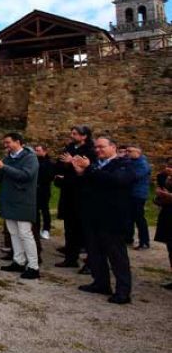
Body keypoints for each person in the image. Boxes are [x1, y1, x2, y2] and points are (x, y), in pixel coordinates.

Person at [72, 136, 135, 303]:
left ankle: (123, 291)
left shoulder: (123, 164)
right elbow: (90, 187)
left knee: (117, 256)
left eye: (102, 147)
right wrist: (81, 174)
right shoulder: (96, 166)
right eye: (96, 148)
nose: (98, 150)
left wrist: (90, 169)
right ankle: (101, 283)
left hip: (113, 218)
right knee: (95, 252)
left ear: (113, 147)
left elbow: (116, 181)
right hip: (93, 216)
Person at [0, 132, 40, 279]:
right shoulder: (8, 158)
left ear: (18, 142)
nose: (6, 145)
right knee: (13, 232)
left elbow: (26, 176)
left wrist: (4, 167)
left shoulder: (30, 158)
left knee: (25, 233)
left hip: (23, 200)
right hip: (9, 199)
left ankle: (33, 266)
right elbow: (2, 179)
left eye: (8, 142)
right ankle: (18, 261)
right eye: (5, 143)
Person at [54, 126, 96, 269]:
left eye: (75, 133)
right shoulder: (70, 147)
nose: (72, 136)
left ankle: (91, 261)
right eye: (71, 133)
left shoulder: (90, 150)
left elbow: (88, 169)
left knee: (84, 228)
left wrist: (72, 161)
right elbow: (60, 162)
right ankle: (70, 258)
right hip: (69, 191)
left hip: (83, 193)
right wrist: (66, 165)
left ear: (84, 136)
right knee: (70, 227)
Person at [125, 146, 151, 250]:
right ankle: (128, 238)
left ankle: (144, 241)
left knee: (139, 218)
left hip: (138, 194)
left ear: (138, 152)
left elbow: (135, 176)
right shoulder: (131, 161)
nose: (127, 153)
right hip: (130, 193)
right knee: (129, 217)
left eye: (130, 151)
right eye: (127, 151)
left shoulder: (143, 164)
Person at [153, 159, 172, 289]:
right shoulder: (166, 178)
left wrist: (169, 196)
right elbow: (159, 199)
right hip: (168, 216)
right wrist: (160, 197)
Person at [34, 144, 54, 239]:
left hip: (44, 190)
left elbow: (49, 176)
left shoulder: (49, 163)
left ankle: (46, 229)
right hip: (34, 189)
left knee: (45, 209)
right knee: (35, 210)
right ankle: (36, 229)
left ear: (44, 151)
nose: (36, 152)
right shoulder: (34, 162)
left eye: (38, 150)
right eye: (36, 150)